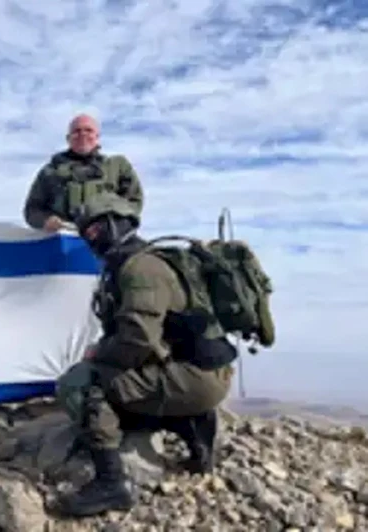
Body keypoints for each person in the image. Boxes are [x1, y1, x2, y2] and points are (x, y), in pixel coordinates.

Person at [51, 192, 235, 517]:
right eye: (86, 233)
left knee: (84, 385)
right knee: (112, 378)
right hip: (200, 371)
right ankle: (191, 427)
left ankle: (111, 483)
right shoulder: (135, 263)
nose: (90, 239)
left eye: (94, 230)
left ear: (115, 224)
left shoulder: (141, 269)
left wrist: (96, 356)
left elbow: (138, 340)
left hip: (194, 377)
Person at [22, 114, 144, 232]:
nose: (83, 134)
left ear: (97, 137)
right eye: (77, 131)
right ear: (68, 138)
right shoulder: (49, 172)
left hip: (107, 238)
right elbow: (32, 209)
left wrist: (111, 223)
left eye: (88, 130)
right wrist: (45, 220)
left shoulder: (118, 167)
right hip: (63, 237)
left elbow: (134, 201)